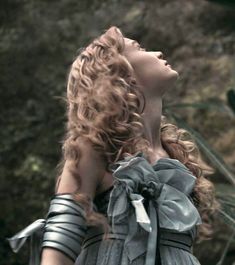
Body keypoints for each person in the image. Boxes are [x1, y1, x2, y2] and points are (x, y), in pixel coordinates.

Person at [8, 26, 220, 265]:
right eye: (139, 48)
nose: (158, 53)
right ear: (119, 72)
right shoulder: (95, 147)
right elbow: (61, 238)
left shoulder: (177, 160)